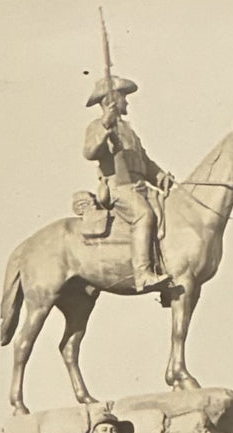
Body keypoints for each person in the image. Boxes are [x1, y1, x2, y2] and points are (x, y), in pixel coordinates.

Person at [83, 74, 173, 291]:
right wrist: (105, 126)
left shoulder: (128, 130)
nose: (127, 101)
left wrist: (160, 176)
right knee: (144, 215)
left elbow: (144, 160)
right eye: (123, 97)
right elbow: (89, 152)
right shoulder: (98, 125)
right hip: (119, 188)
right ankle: (142, 274)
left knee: (172, 213)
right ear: (111, 100)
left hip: (140, 187)